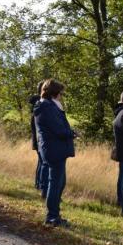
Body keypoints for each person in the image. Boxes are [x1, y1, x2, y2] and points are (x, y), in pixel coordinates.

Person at [33, 79, 77, 227]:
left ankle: (55, 214)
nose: (62, 96)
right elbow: (58, 130)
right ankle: (52, 217)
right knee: (55, 183)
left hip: (54, 149)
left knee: (59, 183)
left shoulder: (48, 106)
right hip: (54, 149)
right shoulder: (47, 107)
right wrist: (72, 133)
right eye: (61, 93)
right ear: (56, 93)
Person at [29, 81, 48, 198]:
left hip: (38, 139)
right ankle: (41, 185)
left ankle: (38, 184)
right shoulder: (39, 105)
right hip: (39, 139)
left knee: (41, 162)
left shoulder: (37, 104)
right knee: (43, 163)